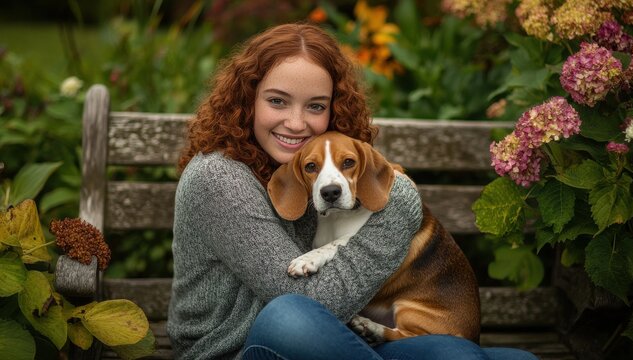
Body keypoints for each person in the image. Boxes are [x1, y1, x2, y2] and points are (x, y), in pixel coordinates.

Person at [167, 22, 538, 360]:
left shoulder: (323, 169)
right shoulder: (218, 176)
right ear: (247, 99)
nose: (296, 123)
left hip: (339, 343)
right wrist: (399, 205)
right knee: (287, 313)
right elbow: (311, 300)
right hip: (240, 350)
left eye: (316, 106)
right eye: (277, 100)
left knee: (494, 359)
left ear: (333, 110)